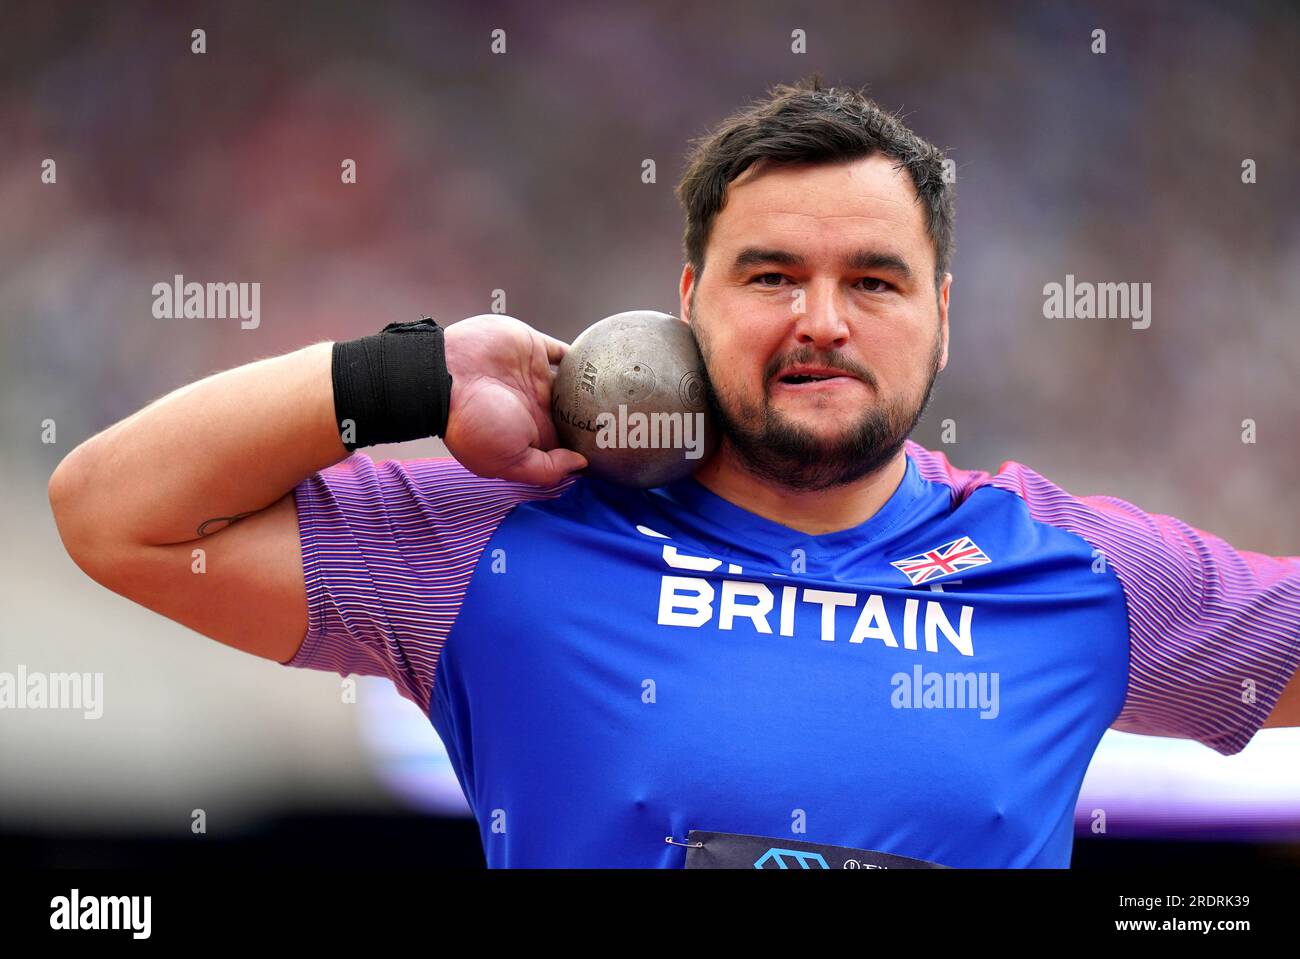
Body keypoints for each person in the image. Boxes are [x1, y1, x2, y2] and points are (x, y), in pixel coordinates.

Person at [48, 77, 1300, 868]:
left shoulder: (1078, 576)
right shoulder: (507, 545)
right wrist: (417, 377)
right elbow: (114, 514)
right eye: (770, 277)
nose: (822, 319)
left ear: (943, 316)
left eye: (873, 279)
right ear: (688, 303)